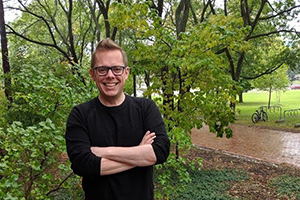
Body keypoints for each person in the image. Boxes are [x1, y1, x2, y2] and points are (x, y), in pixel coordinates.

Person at [65, 38, 170, 200]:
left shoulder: (145, 108)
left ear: (126, 72)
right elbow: (82, 164)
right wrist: (140, 153)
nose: (110, 75)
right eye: (102, 70)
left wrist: (103, 151)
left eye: (116, 69)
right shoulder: (80, 114)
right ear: (93, 74)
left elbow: (160, 151)